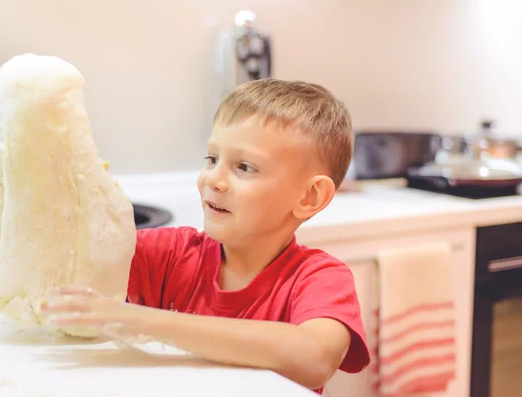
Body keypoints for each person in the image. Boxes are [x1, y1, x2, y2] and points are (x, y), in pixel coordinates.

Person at [39, 78, 371, 394]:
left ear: (309, 197)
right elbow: (73, 246)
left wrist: (141, 320)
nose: (214, 179)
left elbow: (314, 357)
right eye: (212, 159)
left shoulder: (319, 278)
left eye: (244, 167)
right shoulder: (171, 254)